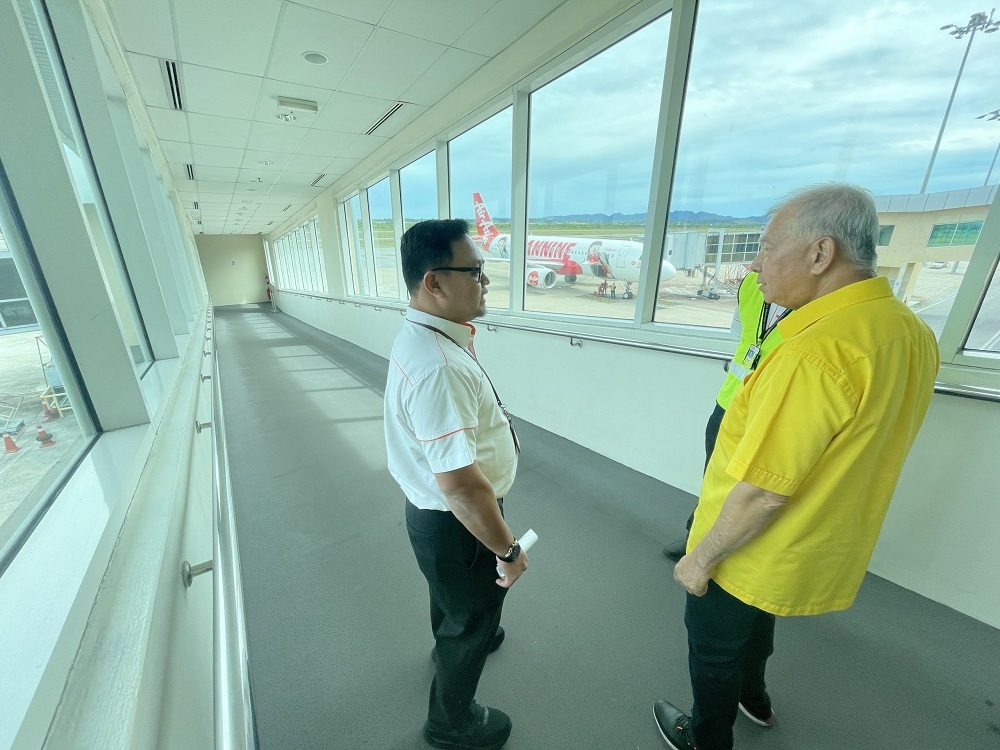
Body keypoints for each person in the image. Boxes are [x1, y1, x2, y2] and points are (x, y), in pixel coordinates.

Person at [653, 184, 939, 750]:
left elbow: (763, 492)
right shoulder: (909, 331)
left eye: (765, 247)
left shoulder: (816, 351)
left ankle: (705, 738)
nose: (756, 264)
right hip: (813, 540)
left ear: (820, 254)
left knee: (713, 640)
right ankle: (752, 697)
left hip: (751, 542)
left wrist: (700, 557)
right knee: (759, 623)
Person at [384, 219, 527, 750]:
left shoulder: (423, 333)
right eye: (475, 271)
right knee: (471, 614)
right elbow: (465, 489)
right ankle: (452, 723)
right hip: (456, 519)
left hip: (432, 514)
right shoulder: (438, 365)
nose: (485, 281)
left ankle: (459, 637)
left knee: (451, 599)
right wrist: (507, 549)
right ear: (434, 283)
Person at [662, 271, 788, 561]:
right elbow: (740, 334)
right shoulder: (751, 284)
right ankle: (696, 538)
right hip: (729, 401)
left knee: (756, 488)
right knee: (713, 476)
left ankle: (734, 550)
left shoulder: (814, 299)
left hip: (772, 412)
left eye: (770, 247)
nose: (758, 261)